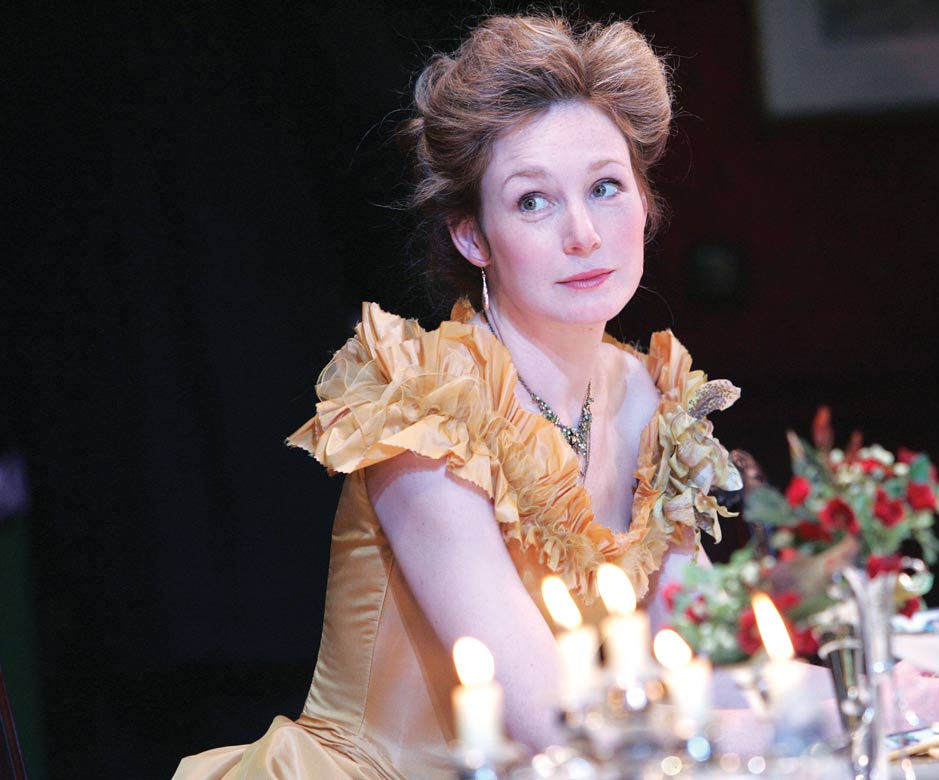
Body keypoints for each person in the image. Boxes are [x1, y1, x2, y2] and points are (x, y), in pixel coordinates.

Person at [173, 14, 828, 780]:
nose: (583, 233)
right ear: (472, 237)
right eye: (532, 202)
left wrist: (867, 684)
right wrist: (809, 719)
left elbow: (685, 665)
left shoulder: (654, 399)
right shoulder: (427, 411)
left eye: (605, 188)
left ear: (646, 205)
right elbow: (550, 723)